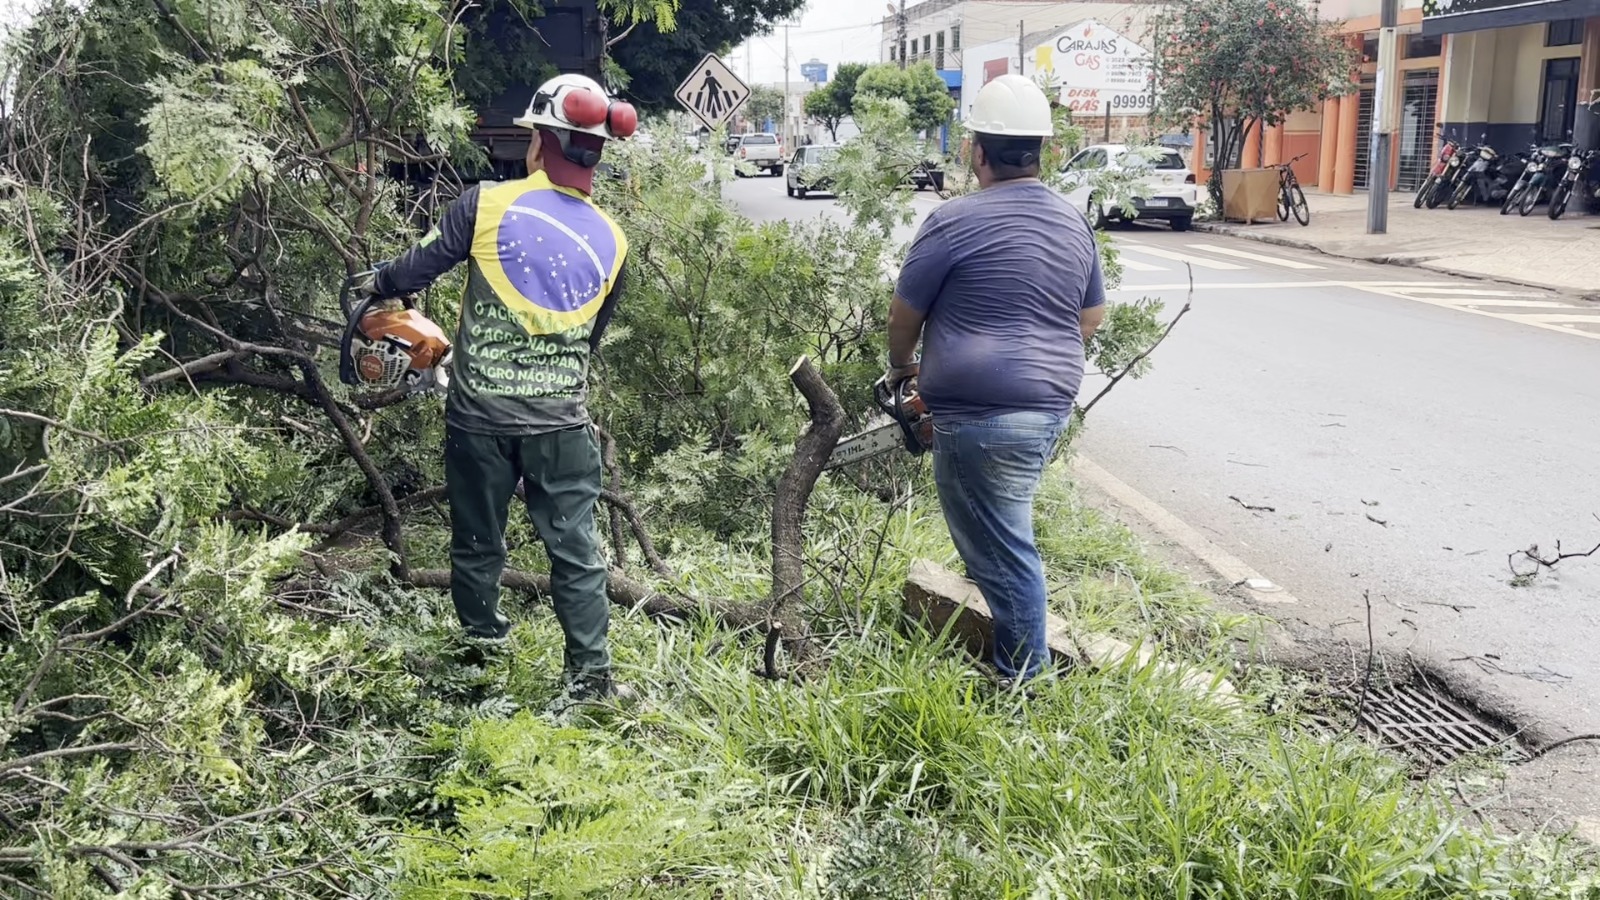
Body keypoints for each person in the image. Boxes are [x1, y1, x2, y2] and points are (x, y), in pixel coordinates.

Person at [359, 74, 639, 702]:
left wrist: (376, 280)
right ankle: (590, 683)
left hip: (479, 418)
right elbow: (587, 341)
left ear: (540, 142)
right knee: (575, 550)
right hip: (561, 423)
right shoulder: (615, 241)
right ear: (597, 151)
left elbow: (413, 269)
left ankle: (481, 669)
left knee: (478, 544)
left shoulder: (485, 204)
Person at [885, 73, 1105, 686]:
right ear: (1043, 149)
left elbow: (905, 315)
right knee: (1002, 534)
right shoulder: (1072, 221)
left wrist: (904, 371)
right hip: (1046, 407)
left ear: (975, 151)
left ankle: (1024, 682)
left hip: (979, 418)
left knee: (1004, 553)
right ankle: (1021, 664)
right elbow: (1088, 317)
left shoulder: (952, 221)